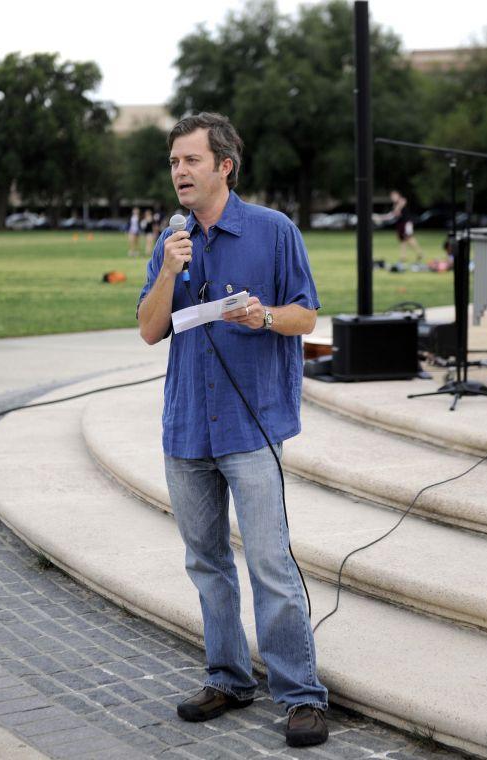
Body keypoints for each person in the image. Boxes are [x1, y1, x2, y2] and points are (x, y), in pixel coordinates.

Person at [137, 112, 329, 748]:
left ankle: (301, 695)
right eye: (173, 162)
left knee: (271, 563)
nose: (179, 172)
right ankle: (227, 677)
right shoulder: (174, 239)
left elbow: (306, 317)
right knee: (207, 563)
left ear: (224, 166)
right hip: (187, 426)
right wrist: (167, 269)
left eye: (190, 161)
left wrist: (263, 316)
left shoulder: (274, 231)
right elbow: (148, 329)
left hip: (251, 426)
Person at [379, 190, 423, 270]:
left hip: (407, 223)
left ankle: (419, 252)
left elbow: (395, 212)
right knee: (402, 240)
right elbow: (394, 214)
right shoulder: (395, 204)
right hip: (400, 224)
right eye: (392, 196)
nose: (393, 198)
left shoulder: (402, 201)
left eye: (394, 196)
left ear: (398, 195)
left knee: (409, 238)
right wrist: (383, 217)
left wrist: (390, 213)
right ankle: (403, 256)